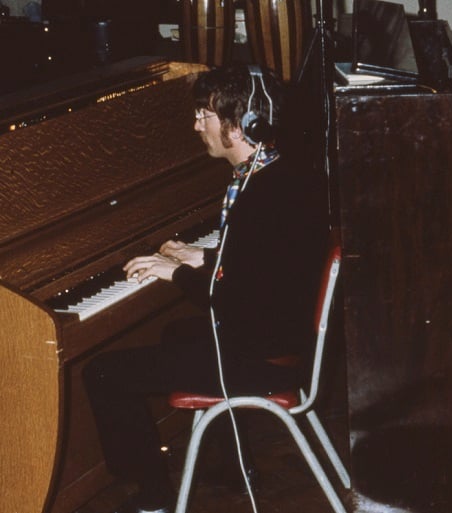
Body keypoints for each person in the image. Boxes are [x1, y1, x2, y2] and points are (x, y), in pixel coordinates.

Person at [83, 65, 329, 513]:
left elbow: (225, 299)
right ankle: (235, 464)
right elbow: (264, 267)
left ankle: (153, 496)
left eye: (205, 115)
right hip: (280, 343)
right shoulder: (278, 176)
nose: (196, 126)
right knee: (177, 334)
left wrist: (171, 271)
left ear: (242, 123)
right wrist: (204, 258)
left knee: (102, 373)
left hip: (262, 361)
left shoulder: (262, 196)